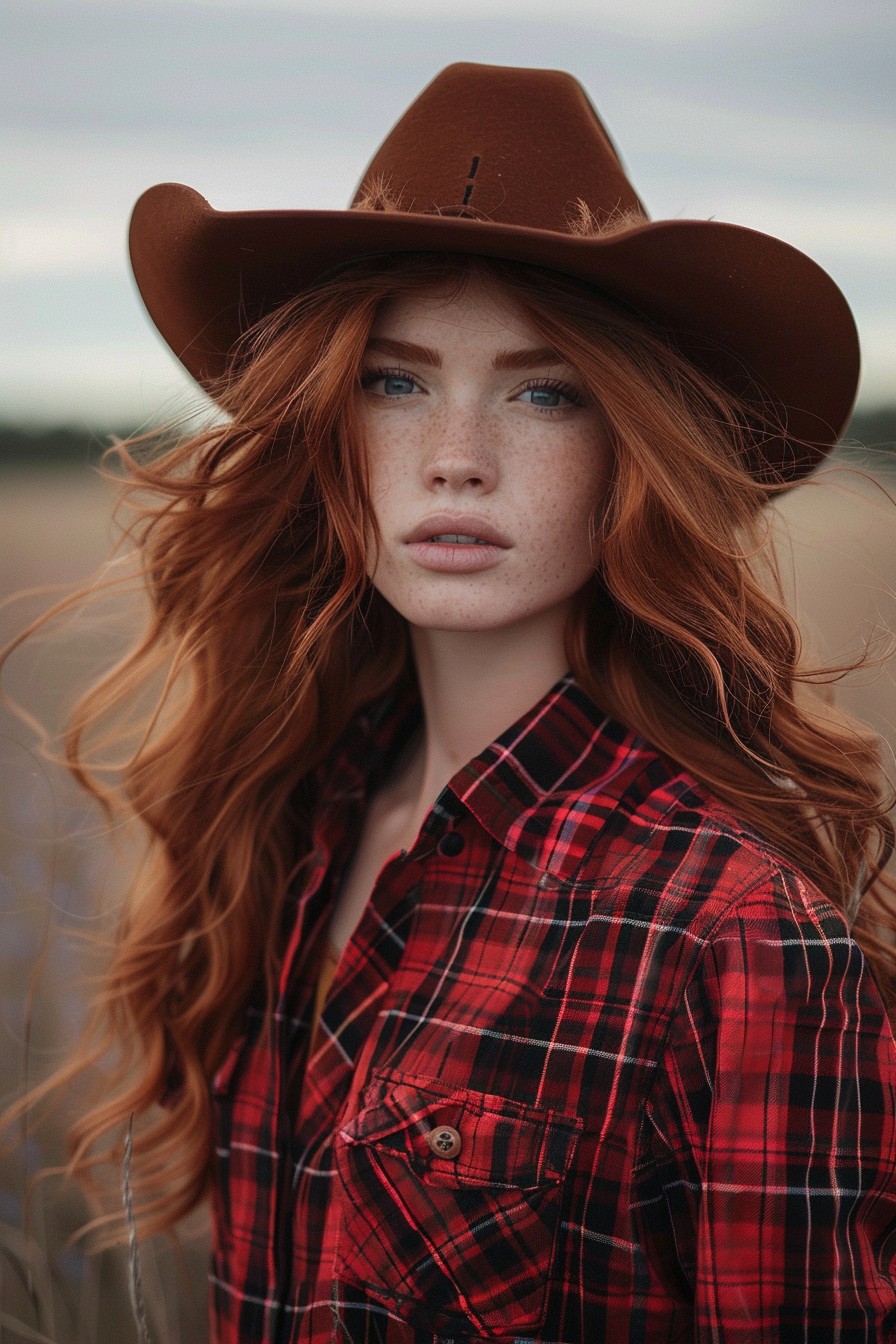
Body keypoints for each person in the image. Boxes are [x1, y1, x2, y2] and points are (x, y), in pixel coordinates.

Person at [10, 61, 896, 1341]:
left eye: (545, 392)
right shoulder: (296, 829)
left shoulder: (732, 935)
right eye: (392, 379)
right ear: (322, 422)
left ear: (629, 448)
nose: (456, 458)